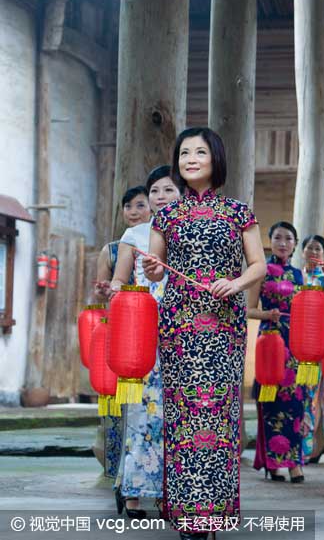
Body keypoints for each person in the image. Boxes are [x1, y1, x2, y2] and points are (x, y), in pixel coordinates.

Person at [142, 127, 265, 540]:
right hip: (178, 324)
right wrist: (153, 269)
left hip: (224, 323)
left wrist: (236, 284)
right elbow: (155, 267)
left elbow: (258, 266)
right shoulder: (165, 215)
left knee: (219, 413)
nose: (190, 158)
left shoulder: (238, 211)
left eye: (199, 151)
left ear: (216, 157)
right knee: (181, 413)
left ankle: (215, 512)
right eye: (183, 153)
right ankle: (187, 514)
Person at [109, 166, 181, 518]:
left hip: (183, 331)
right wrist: (116, 292)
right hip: (144, 330)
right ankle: (134, 491)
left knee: (177, 414)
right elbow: (120, 280)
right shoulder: (134, 234)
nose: (161, 197)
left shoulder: (188, 232)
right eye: (155, 191)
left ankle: (171, 491)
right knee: (143, 412)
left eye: (169, 190)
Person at [93, 186, 150, 494]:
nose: (132, 211)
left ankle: (139, 476)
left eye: (139, 205)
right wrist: (104, 291)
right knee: (116, 408)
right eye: (127, 206)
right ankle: (117, 472)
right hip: (121, 334)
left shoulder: (158, 243)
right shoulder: (111, 250)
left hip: (147, 333)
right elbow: (101, 291)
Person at [248, 221, 307, 484]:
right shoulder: (261, 272)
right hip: (270, 342)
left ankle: (294, 463)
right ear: (270, 241)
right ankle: (273, 463)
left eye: (289, 239)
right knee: (271, 403)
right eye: (278, 238)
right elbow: (248, 309)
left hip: (295, 344)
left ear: (295, 244)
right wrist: (266, 314)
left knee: (295, 403)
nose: (283, 243)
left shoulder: (298, 275)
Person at [300, 234, 324, 464]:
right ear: (302, 252)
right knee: (299, 395)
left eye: (318, 249)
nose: (313, 252)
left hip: (317, 341)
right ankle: (307, 445)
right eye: (309, 248)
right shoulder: (295, 275)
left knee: (314, 396)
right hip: (296, 340)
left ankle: (311, 447)